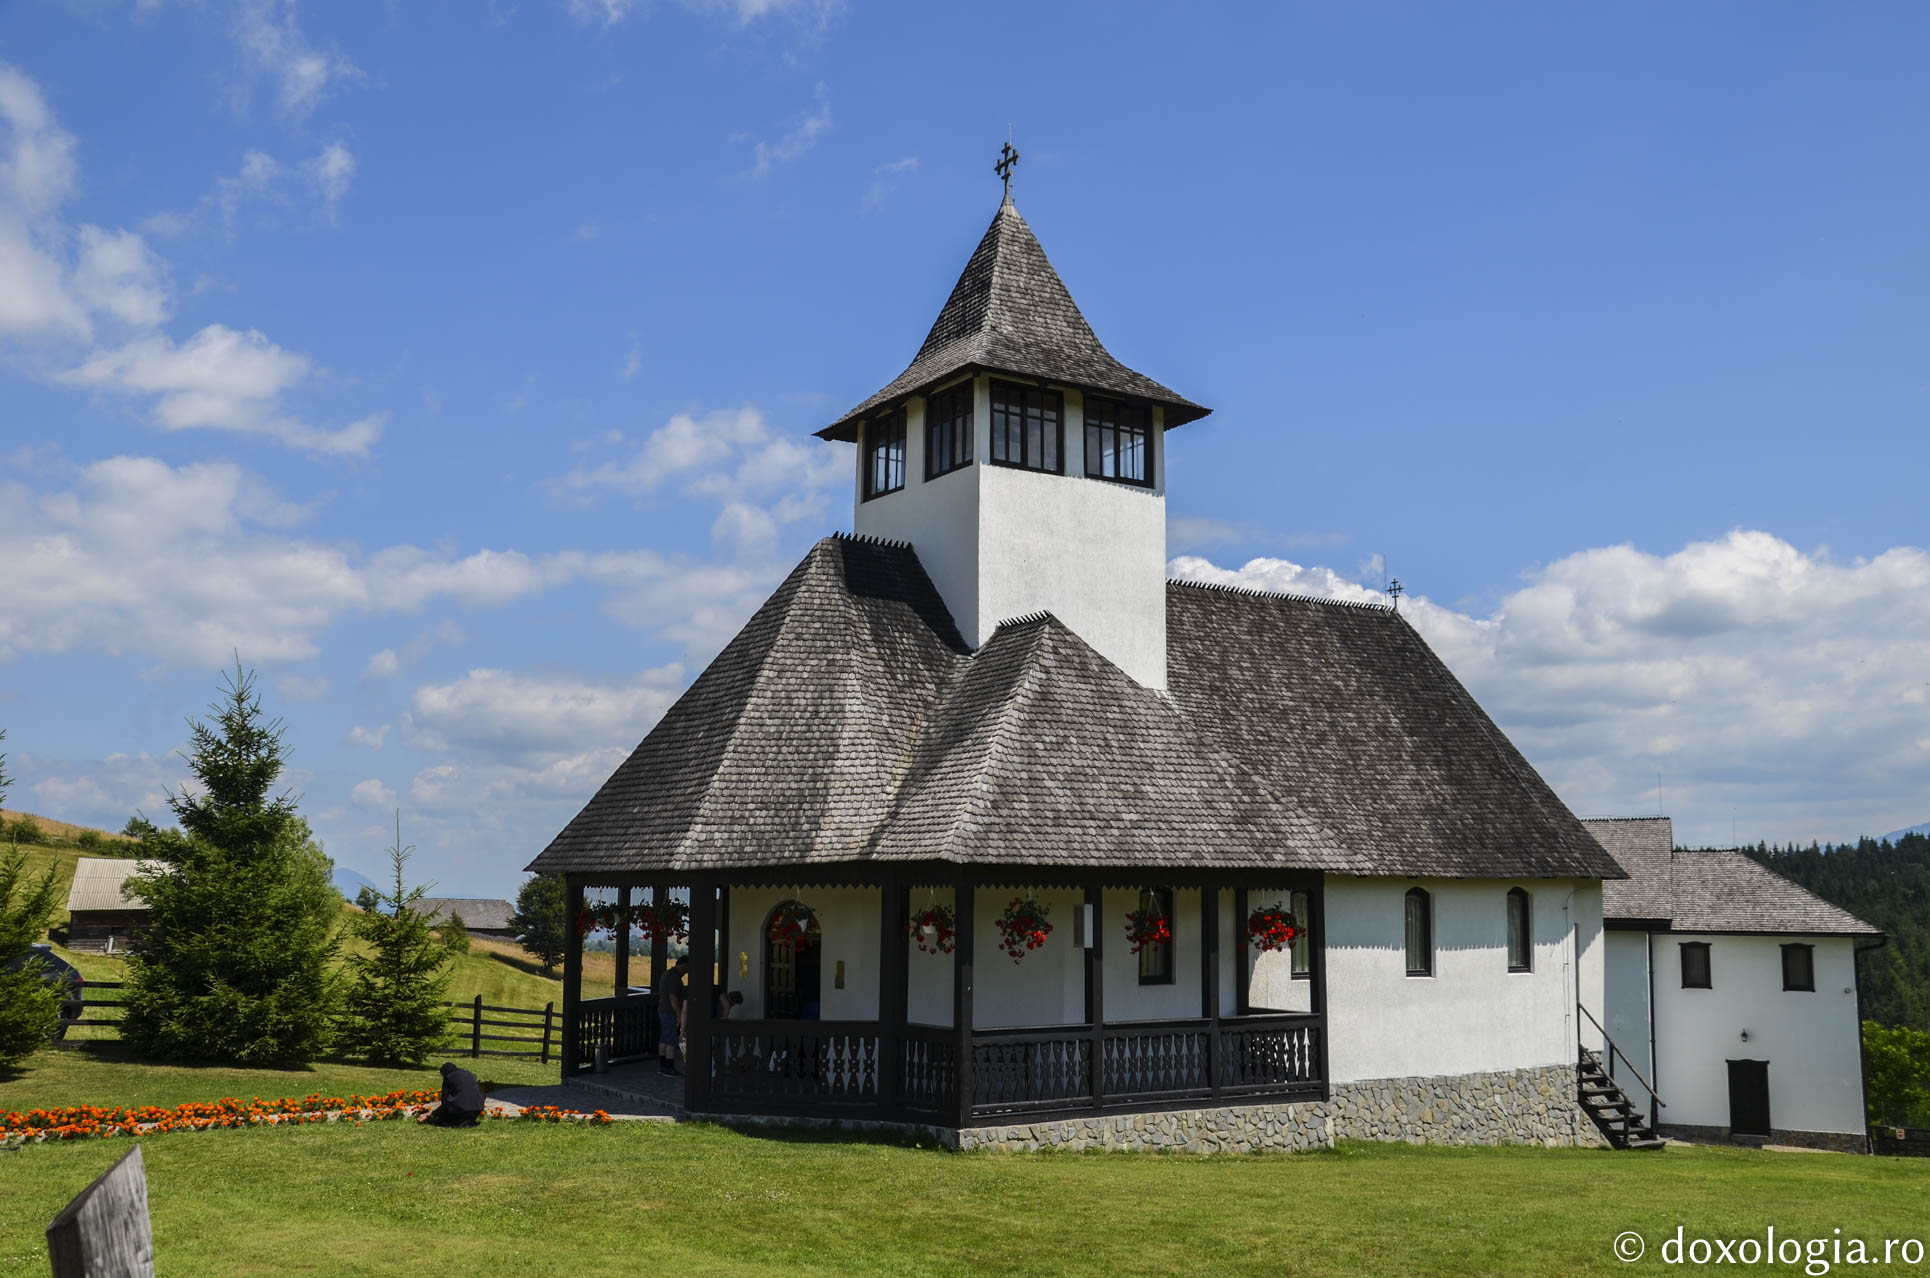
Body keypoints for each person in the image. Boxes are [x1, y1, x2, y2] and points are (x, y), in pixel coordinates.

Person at [417, 1062, 485, 1127]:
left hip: (463, 1111)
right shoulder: (468, 1074)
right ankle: (468, 1121)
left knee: (444, 1118)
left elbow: (445, 1104)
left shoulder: (448, 1078)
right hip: (477, 1109)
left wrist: (430, 1114)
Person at [658, 955, 689, 1076]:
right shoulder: (674, 977)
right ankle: (669, 1067)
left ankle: (662, 1066)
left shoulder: (667, 974)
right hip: (670, 1012)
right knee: (670, 1040)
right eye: (687, 969)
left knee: (663, 1039)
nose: (686, 972)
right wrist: (678, 1014)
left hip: (663, 1010)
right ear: (682, 965)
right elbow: (673, 997)